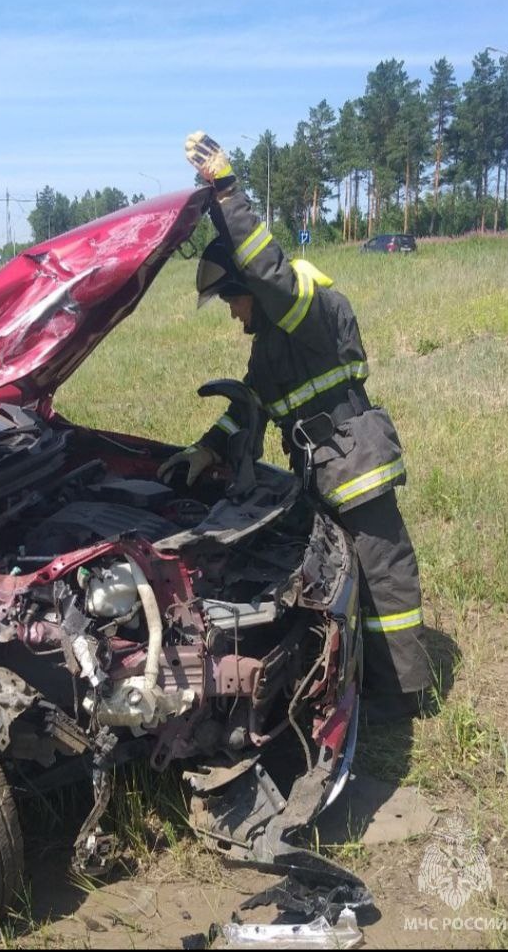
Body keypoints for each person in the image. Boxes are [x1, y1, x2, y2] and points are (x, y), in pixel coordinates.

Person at [159, 132, 433, 716]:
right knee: (343, 581)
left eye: (232, 300)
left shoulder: (309, 313)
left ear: (251, 290)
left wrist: (226, 192)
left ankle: (403, 696)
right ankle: (354, 676)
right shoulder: (269, 347)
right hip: (323, 471)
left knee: (383, 577)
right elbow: (248, 407)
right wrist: (206, 450)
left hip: (355, 464)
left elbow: (267, 268)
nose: (233, 314)